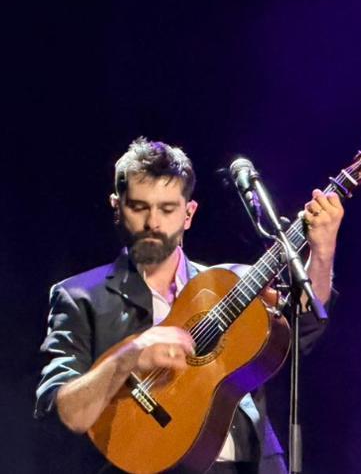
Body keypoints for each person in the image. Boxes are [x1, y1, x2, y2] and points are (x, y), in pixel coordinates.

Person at [34, 138, 344, 473]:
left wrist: (322, 253)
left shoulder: (227, 284)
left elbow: (297, 333)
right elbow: (58, 411)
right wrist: (130, 355)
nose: (153, 223)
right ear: (116, 206)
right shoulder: (80, 297)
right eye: (138, 207)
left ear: (189, 214)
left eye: (167, 209)